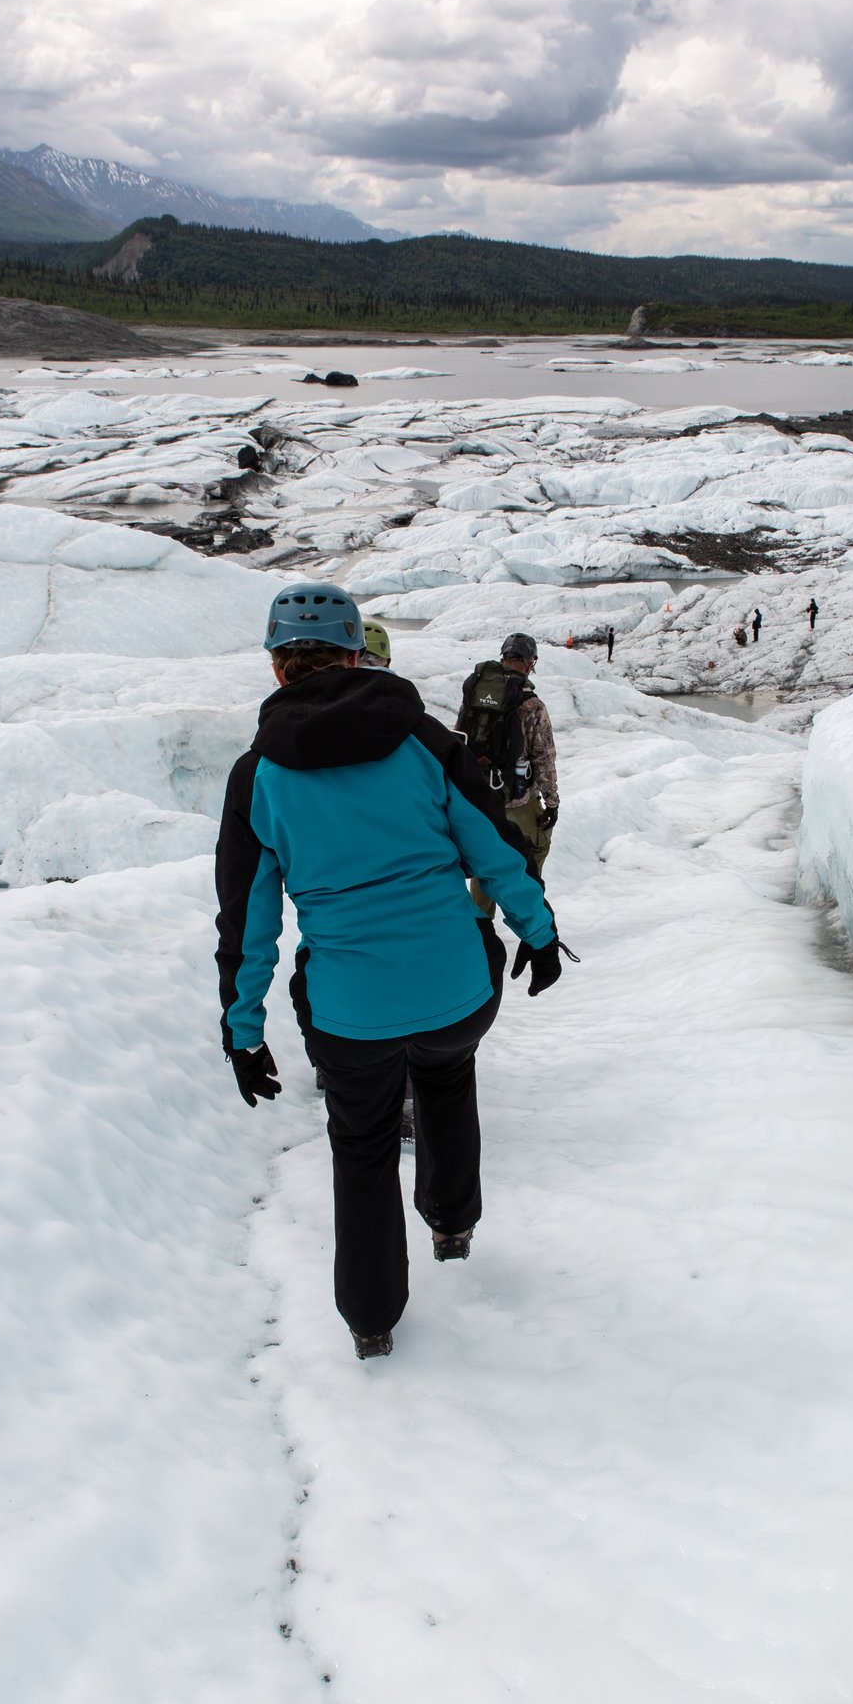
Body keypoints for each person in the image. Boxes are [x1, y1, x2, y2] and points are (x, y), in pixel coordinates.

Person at [216, 582, 561, 1361]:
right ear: (354, 657)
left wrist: (243, 1032)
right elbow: (494, 851)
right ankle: (452, 1223)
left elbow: (248, 924)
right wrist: (539, 935)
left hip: (349, 1012)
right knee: (446, 1079)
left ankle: (371, 1321)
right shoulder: (423, 742)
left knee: (362, 1144)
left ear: (276, 668)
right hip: (456, 990)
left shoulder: (257, 775)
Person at [456, 631, 559, 917]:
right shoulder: (532, 704)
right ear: (530, 662)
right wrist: (552, 803)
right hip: (518, 799)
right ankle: (530, 919)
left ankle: (481, 925)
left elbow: (461, 740)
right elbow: (544, 757)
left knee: (485, 859)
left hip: (481, 797)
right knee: (535, 849)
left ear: (503, 657)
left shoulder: (475, 692)